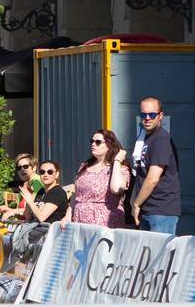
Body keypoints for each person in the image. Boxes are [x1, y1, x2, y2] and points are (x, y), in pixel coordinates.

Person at [129, 96, 181, 234]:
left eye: (152, 114)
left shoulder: (161, 140)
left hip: (161, 210)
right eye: (143, 114)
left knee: (159, 255)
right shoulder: (144, 138)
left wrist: (136, 204)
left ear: (160, 116)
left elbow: (152, 178)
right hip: (148, 208)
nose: (147, 118)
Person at [70, 129, 130, 227]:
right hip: (80, 220)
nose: (93, 144)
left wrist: (117, 160)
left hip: (104, 221)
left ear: (109, 146)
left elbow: (116, 189)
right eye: (92, 141)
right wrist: (68, 214)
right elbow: (76, 194)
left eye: (98, 142)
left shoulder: (120, 168)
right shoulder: (85, 166)